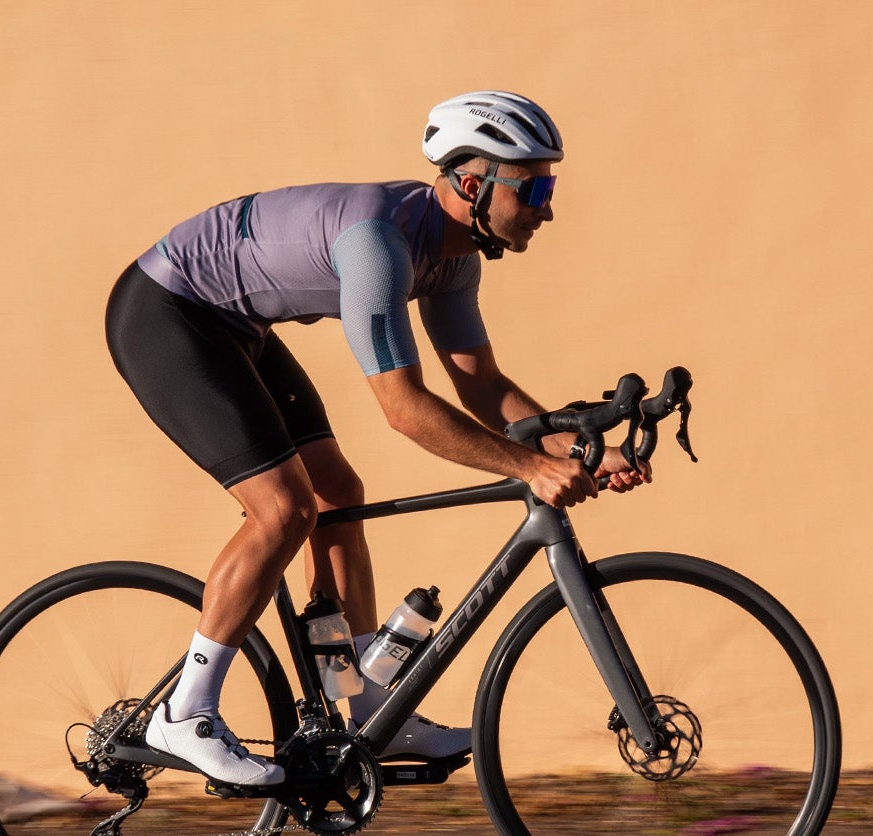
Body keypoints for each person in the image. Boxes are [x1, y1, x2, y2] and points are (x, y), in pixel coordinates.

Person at [105, 91, 648, 786]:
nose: (547, 206)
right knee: (284, 510)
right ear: (475, 186)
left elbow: (480, 384)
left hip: (234, 327)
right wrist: (527, 467)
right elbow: (404, 408)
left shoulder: (455, 257)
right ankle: (185, 713)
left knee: (337, 493)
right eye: (535, 187)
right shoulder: (378, 244)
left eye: (551, 186)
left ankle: (357, 707)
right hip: (168, 315)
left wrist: (576, 453)